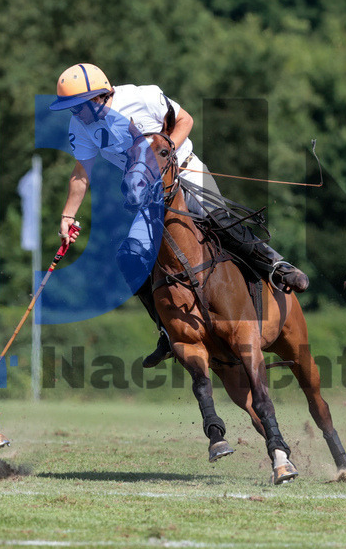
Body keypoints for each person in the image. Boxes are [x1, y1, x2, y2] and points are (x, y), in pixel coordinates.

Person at [49, 63, 309, 367]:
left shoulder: (143, 96)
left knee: (220, 220)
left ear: (98, 97)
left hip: (183, 170)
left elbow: (185, 119)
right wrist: (68, 216)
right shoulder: (80, 127)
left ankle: (275, 264)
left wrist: (168, 150)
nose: (74, 112)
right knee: (130, 256)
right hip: (147, 193)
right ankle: (166, 330)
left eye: (77, 106)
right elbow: (81, 173)